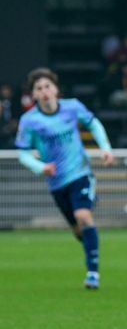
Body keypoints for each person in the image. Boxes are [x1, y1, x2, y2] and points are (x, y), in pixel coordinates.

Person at [14, 68, 115, 289]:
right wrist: (41, 167)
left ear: (56, 89)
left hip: (80, 172)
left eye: (47, 86)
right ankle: (88, 240)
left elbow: (93, 123)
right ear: (34, 95)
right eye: (39, 88)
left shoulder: (72, 107)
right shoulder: (30, 121)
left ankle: (93, 274)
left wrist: (105, 148)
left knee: (83, 216)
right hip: (57, 182)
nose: (44, 91)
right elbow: (22, 153)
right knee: (79, 230)